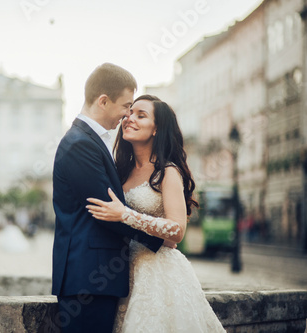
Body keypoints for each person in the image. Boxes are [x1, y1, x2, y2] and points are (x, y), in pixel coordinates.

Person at [86, 95, 226, 332]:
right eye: (130, 113)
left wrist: (125, 215)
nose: (130, 118)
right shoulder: (121, 170)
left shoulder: (167, 172)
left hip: (159, 273)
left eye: (141, 115)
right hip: (124, 273)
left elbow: (177, 230)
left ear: (156, 130)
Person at [52, 64, 170, 333]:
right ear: (103, 101)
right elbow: (106, 211)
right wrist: (160, 235)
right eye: (126, 106)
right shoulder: (80, 144)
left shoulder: (90, 140)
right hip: (88, 279)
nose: (127, 115)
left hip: (95, 279)